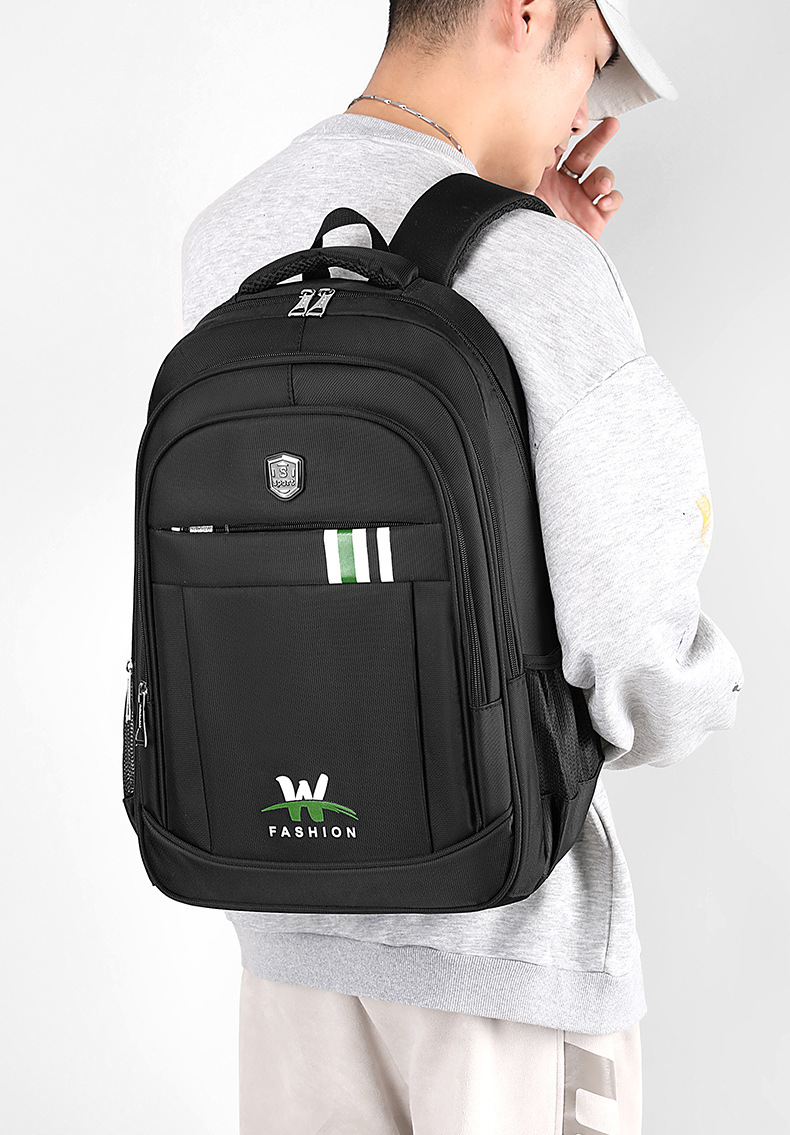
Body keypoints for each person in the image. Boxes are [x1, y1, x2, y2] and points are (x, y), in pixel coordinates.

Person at [180, 2, 745, 1131]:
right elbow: (639, 654)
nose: (583, 115)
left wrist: (531, 232)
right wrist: (556, 268)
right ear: (523, 12)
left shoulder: (227, 233)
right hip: (505, 950)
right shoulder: (532, 265)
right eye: (590, 63)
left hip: (283, 925)